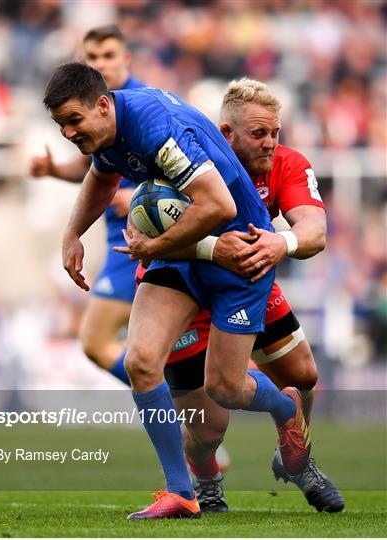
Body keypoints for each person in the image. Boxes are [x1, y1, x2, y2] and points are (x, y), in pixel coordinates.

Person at [43, 62, 312, 520]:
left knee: (225, 389)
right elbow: (101, 176)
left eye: (74, 120)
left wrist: (152, 245)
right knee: (141, 361)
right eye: (61, 124)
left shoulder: (155, 128)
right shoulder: (111, 132)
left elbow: (218, 204)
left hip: (238, 255)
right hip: (189, 253)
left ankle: (286, 408)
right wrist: (72, 234)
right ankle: (180, 492)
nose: (69, 132)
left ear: (103, 105)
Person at [127, 78, 343, 514]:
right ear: (226, 133)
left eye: (275, 133)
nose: (269, 143)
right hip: (183, 283)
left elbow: (314, 231)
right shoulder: (187, 158)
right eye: (258, 134)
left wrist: (282, 243)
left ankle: (297, 458)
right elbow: (150, 228)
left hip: (245, 280)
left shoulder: (286, 164)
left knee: (302, 373)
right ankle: (205, 485)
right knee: (208, 428)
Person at [29, 25, 145, 385]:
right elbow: (92, 167)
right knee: (119, 346)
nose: (102, 63)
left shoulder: (142, 103)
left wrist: (141, 195)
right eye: (93, 57)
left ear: (125, 57)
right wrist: (53, 170)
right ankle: (179, 402)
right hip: (118, 238)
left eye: (108, 55)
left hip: (148, 237)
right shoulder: (90, 112)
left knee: (98, 341)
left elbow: (180, 168)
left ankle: (174, 396)